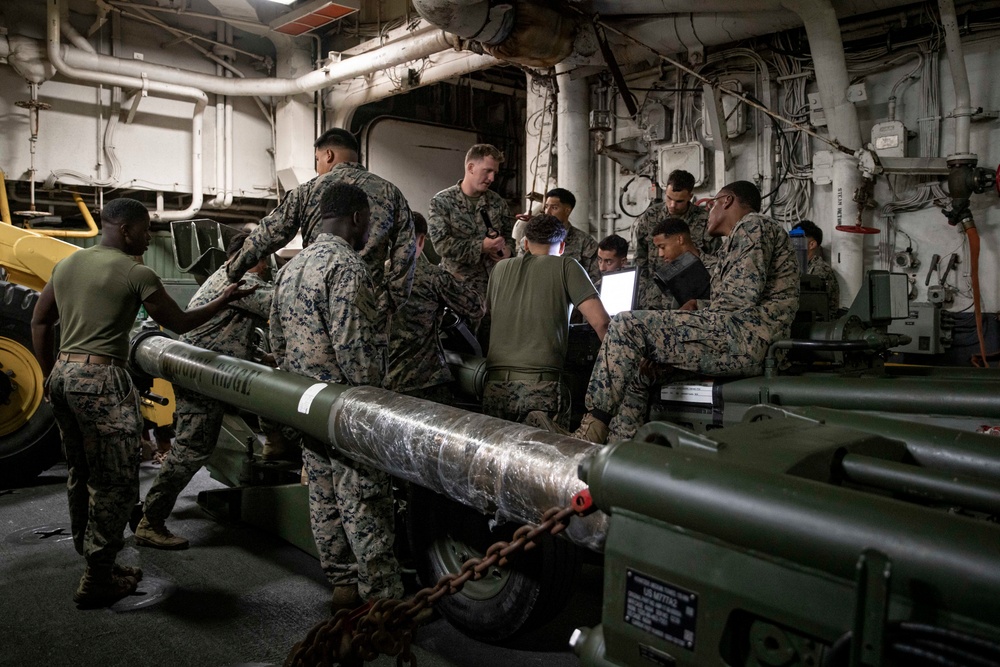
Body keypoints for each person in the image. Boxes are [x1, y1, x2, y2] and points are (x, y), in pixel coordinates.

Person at [30, 198, 256, 607]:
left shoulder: (67, 264)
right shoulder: (136, 272)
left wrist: (50, 374)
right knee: (115, 481)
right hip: (102, 379)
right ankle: (97, 577)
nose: (150, 236)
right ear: (126, 228)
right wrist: (225, 299)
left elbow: (40, 321)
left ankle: (97, 559)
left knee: (81, 471)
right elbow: (181, 322)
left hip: (64, 374)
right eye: (146, 227)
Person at [535, 181, 799, 444]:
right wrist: (699, 305)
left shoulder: (753, 226)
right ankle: (618, 448)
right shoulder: (739, 238)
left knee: (626, 323)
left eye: (712, 204)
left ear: (726, 201)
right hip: (737, 334)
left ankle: (591, 428)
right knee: (636, 368)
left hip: (746, 339)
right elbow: (742, 299)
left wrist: (691, 316)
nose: (707, 212)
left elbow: (738, 303)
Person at [269, 182, 403, 610]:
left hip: (306, 403)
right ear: (358, 218)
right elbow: (357, 353)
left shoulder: (291, 267)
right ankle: (381, 600)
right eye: (368, 224)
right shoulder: (347, 268)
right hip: (346, 410)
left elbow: (276, 341)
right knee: (364, 499)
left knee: (323, 495)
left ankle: (343, 585)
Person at [135, 233, 274, 550]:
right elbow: (285, 303)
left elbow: (228, 331)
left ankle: (149, 514)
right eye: (266, 258)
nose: (269, 265)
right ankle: (150, 521)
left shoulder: (228, 277)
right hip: (200, 376)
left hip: (203, 371)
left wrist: (262, 357)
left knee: (191, 447)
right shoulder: (242, 282)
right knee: (190, 450)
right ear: (257, 260)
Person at [226, 128, 415, 319]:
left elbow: (268, 235)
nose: (318, 168)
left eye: (317, 160)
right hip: (365, 307)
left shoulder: (306, 191)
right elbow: (406, 253)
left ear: (328, 155)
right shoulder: (391, 194)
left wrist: (233, 272)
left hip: (316, 306)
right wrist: (384, 305)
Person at [483, 214, 610, 428]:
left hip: (495, 387)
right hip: (541, 388)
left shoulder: (499, 269)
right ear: (561, 246)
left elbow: (487, 321)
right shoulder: (566, 266)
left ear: (525, 243)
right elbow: (602, 323)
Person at [386, 212, 486, 402]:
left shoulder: (374, 274)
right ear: (422, 240)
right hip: (425, 382)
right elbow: (477, 308)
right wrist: (457, 280)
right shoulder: (433, 277)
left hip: (382, 381)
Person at [428, 143, 515, 315]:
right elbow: (441, 244)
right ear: (471, 167)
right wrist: (481, 247)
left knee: (491, 339)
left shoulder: (497, 202)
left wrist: (508, 251)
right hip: (457, 291)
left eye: (494, 173)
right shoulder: (442, 202)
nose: (492, 178)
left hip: (494, 291)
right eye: (487, 171)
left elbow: (510, 236)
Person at [632, 169, 719, 310]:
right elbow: (639, 260)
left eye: (679, 201)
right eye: (669, 198)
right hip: (652, 298)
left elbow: (714, 260)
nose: (672, 205)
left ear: (690, 196)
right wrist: (641, 292)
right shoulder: (650, 217)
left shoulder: (705, 221)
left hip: (686, 300)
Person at [521, 188, 601, 285]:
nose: (548, 212)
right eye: (546, 207)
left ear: (567, 211)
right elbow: (520, 271)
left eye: (554, 208)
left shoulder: (585, 242)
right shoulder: (531, 238)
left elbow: (595, 279)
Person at [649, 217, 712, 306]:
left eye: (663, 247)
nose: (660, 254)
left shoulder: (716, 268)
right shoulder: (665, 276)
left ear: (680, 239)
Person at [792, 219, 840, 319]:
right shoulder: (798, 267)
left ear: (812, 244)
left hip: (818, 324)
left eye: (797, 240)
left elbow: (810, 305)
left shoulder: (820, 270)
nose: (792, 245)